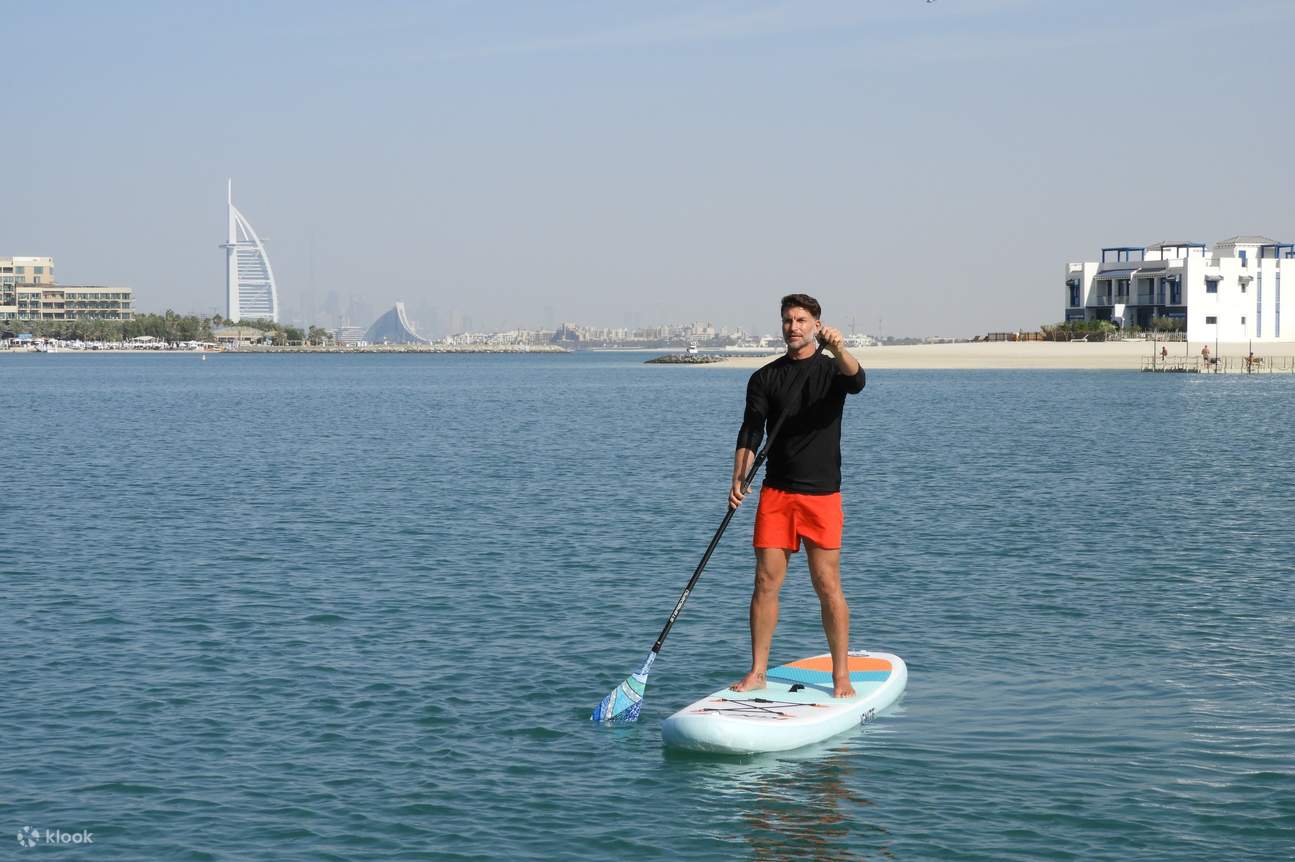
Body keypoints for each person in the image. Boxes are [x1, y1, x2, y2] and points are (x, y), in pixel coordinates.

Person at [728, 294, 866, 698]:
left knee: (827, 584)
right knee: (765, 583)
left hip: (821, 495)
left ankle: (841, 676)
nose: (793, 327)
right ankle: (757, 672)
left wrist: (839, 347)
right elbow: (751, 431)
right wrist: (738, 478)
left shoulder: (831, 370)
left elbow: (857, 381)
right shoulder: (765, 378)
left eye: (801, 320)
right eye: (788, 320)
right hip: (776, 494)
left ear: (817, 324)